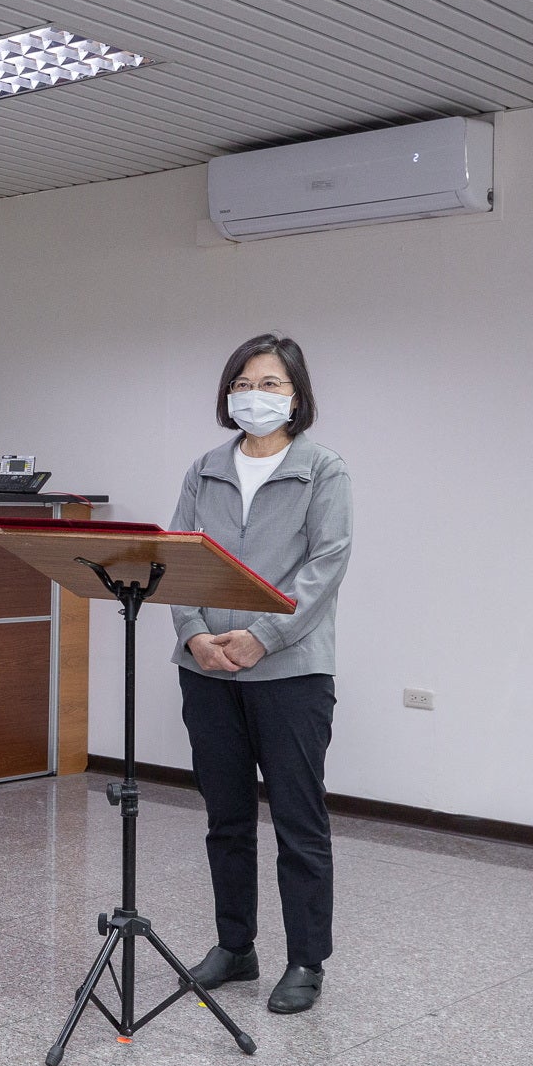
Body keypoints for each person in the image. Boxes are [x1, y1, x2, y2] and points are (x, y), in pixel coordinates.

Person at [172, 333, 353, 1014]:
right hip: (208, 672)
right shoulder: (204, 469)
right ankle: (235, 945)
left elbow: (325, 567)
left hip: (292, 674)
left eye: (272, 382)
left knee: (298, 822)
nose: (257, 393)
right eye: (246, 381)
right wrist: (195, 637)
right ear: (228, 393)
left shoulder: (323, 470)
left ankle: (306, 958)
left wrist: (261, 637)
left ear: (298, 396)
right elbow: (175, 556)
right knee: (225, 818)